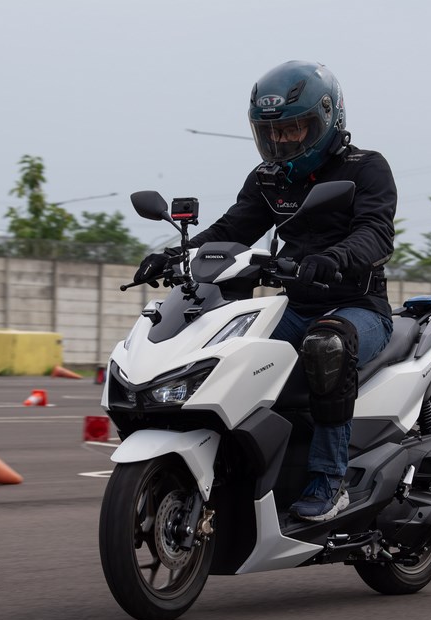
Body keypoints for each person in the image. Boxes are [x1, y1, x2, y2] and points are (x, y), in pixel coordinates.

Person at [133, 60, 396, 522]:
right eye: (272, 132)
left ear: (328, 117)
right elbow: (235, 227)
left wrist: (333, 259)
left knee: (326, 344)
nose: (283, 142)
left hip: (357, 306)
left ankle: (328, 482)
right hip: (294, 305)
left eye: (295, 129)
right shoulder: (268, 178)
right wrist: (177, 253)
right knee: (235, 359)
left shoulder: (367, 168)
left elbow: (376, 234)